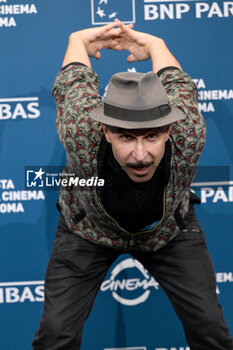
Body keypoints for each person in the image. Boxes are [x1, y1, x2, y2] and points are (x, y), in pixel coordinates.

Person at [32, 20, 233, 350]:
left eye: (151, 136)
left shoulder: (188, 133)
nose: (140, 155)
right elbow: (73, 79)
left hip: (167, 232)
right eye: (126, 137)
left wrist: (154, 45)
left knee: (211, 329)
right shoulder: (82, 129)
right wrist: (78, 39)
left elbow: (177, 81)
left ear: (169, 130)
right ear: (106, 131)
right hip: (87, 231)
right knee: (55, 334)